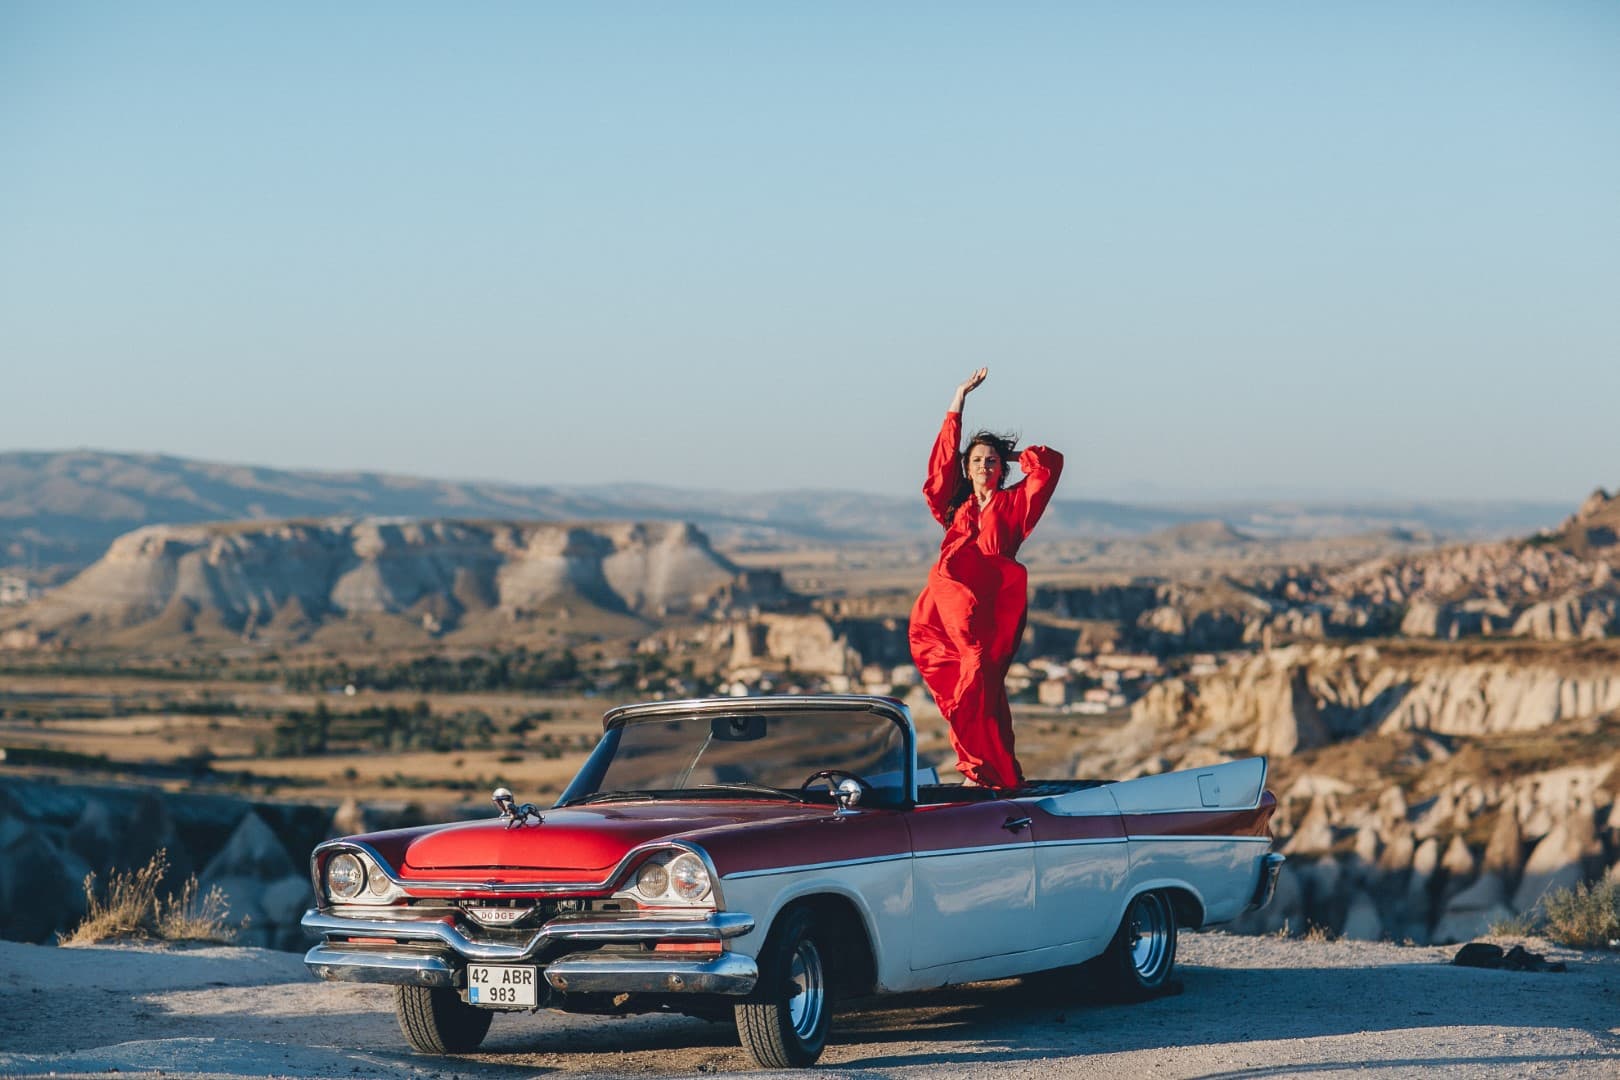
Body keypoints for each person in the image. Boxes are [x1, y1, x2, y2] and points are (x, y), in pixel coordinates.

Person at [907, 367, 1063, 789]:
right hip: (950, 607)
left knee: (984, 686)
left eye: (991, 461)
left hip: (993, 609)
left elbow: (1050, 466)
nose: (983, 466)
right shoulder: (953, 506)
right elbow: (939, 467)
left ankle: (988, 769)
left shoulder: (1016, 504)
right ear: (967, 466)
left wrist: (1014, 456)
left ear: (1001, 468)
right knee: (964, 684)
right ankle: (980, 771)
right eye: (976, 460)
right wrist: (958, 399)